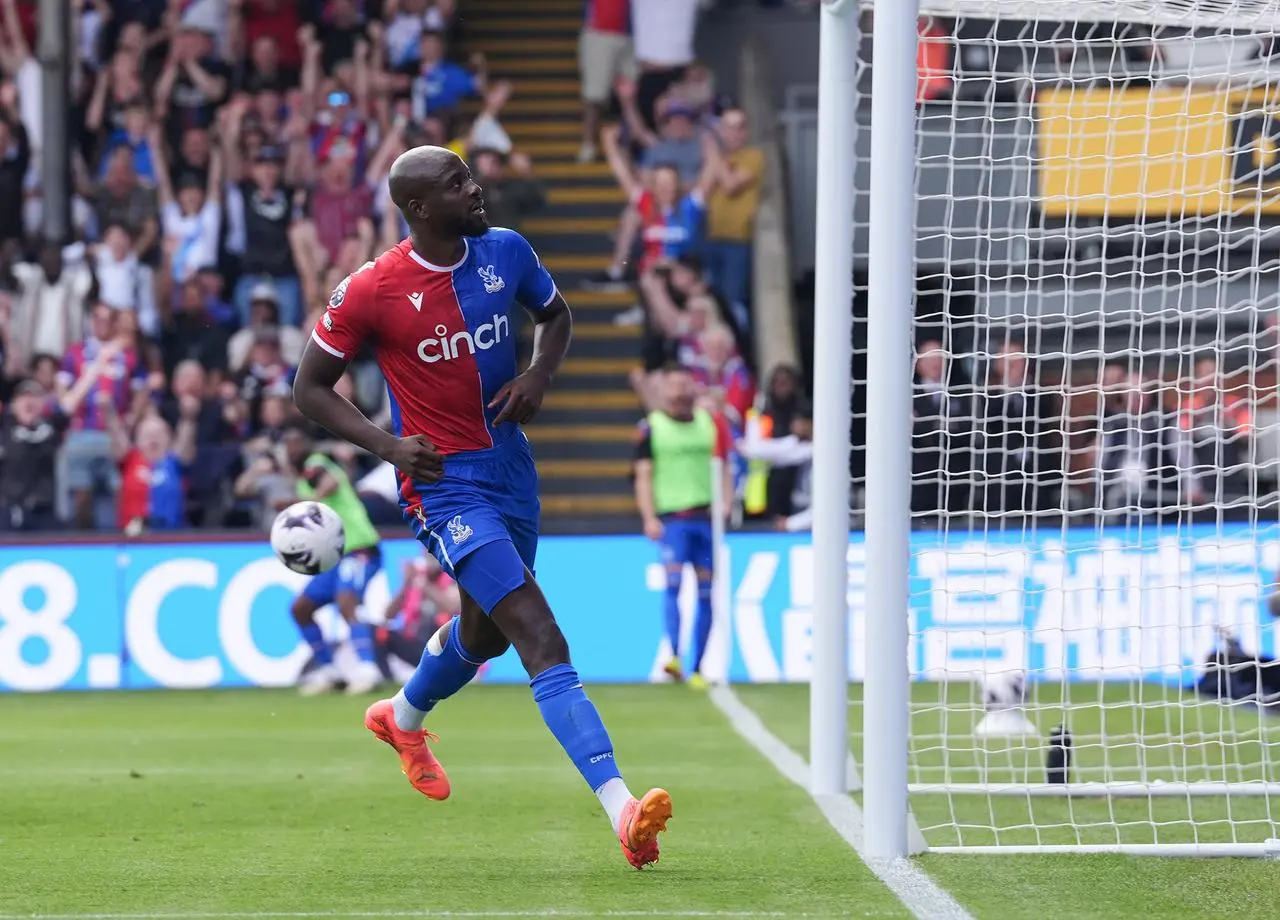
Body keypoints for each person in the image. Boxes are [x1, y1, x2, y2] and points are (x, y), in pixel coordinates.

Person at [292, 145, 672, 870]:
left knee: (486, 634)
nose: (476, 190)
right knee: (537, 633)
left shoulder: (507, 252)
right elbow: (307, 389)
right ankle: (623, 810)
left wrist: (539, 373)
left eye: (469, 176)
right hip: (442, 483)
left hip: (511, 470)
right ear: (420, 209)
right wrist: (389, 446)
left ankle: (401, 719)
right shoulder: (372, 289)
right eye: (456, 184)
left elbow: (555, 316)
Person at [632, 363, 731, 688]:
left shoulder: (709, 423)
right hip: (673, 519)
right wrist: (649, 516)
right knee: (673, 586)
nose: (679, 392)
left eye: (683, 385)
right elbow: (643, 474)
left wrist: (727, 501)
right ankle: (674, 655)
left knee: (706, 592)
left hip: (705, 518)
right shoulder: (653, 427)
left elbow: (724, 464)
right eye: (673, 386)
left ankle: (700, 667)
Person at [280, 420, 385, 696]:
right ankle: (330, 671)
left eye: (296, 443)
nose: (292, 449)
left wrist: (310, 502)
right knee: (300, 609)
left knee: (346, 601)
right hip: (335, 557)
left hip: (360, 547)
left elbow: (331, 481)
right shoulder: (303, 482)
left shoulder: (316, 465)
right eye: (287, 444)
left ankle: (367, 668)